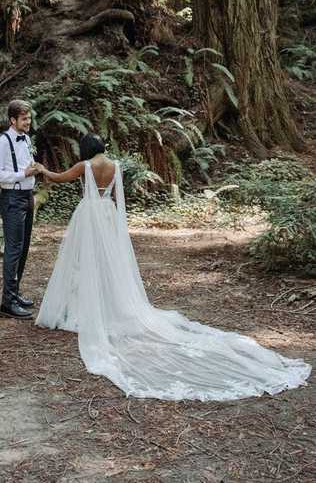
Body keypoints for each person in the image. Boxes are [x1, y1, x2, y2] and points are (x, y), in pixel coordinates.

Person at [34, 133, 311, 401]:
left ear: (85, 149)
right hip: (107, 214)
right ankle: (109, 306)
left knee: (87, 261)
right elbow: (118, 198)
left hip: (90, 214)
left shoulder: (85, 166)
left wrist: (42, 169)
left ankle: (89, 308)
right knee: (109, 263)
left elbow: (60, 178)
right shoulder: (115, 165)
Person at [0, 100, 40, 319]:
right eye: (24, 119)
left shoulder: (26, 139)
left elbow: (26, 165)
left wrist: (34, 169)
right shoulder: (2, 142)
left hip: (27, 197)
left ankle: (15, 293)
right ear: (13, 120)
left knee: (24, 247)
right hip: (12, 198)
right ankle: (7, 304)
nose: (28, 122)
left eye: (29, 118)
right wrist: (23, 175)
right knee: (13, 249)